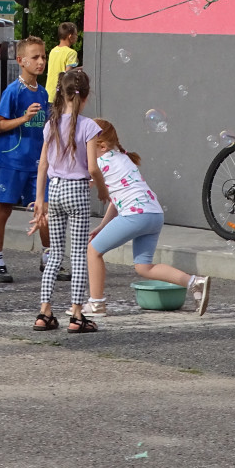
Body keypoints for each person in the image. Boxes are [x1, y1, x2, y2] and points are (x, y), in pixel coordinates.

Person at [83, 118, 211, 318]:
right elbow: (117, 199)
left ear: (101, 145)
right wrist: (102, 226)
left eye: (86, 144)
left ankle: (96, 303)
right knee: (144, 267)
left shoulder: (100, 163)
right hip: (154, 215)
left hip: (135, 216)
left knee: (93, 251)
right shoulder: (123, 158)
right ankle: (194, 282)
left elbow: (82, 182)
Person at [30, 70, 109, 333]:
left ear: (61, 94)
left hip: (55, 190)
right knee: (78, 255)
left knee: (54, 254)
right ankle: (76, 314)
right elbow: (94, 168)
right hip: (77, 191)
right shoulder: (89, 126)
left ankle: (44, 312)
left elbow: (43, 164)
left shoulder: (50, 124)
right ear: (85, 97)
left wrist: (40, 199)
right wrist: (102, 191)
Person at [0, 36, 52, 283]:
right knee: (4, 209)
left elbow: (43, 127)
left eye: (43, 56)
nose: (41, 61)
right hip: (11, 161)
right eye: (35, 57)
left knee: (44, 208)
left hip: (37, 163)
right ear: (21, 60)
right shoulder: (12, 91)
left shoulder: (44, 92)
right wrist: (23, 119)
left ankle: (49, 259)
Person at [45, 22, 80, 100]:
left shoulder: (53, 51)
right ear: (70, 36)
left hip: (49, 92)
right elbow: (68, 73)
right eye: (76, 34)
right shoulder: (71, 53)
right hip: (60, 94)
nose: (77, 37)